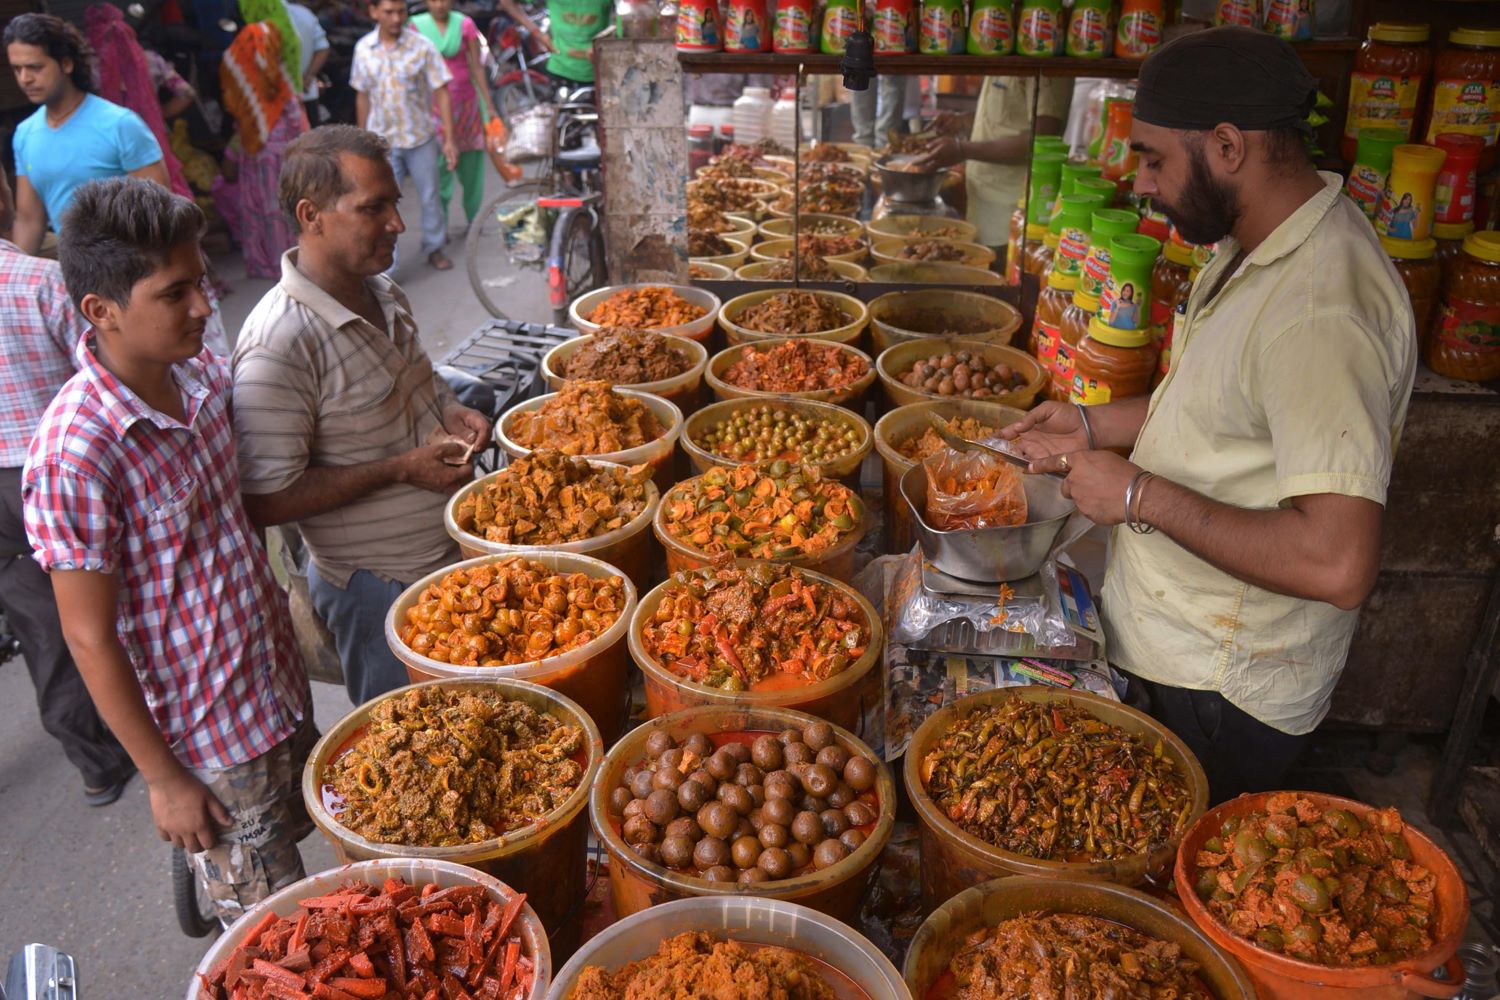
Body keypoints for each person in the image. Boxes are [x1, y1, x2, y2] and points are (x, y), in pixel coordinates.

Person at [1005, 27, 1417, 803]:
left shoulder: (1321, 314)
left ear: (1228, 145)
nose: (1144, 183)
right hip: (1168, 640)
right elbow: (1219, 403)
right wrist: (1092, 425)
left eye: (1155, 158)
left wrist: (1136, 497)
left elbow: (1338, 563)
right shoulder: (1256, 239)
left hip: (1223, 689)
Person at [23, 177, 312, 919]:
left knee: (303, 878)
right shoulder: (76, 453)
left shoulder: (199, 373)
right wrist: (164, 779)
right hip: (206, 739)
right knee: (270, 937)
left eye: (202, 284)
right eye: (175, 293)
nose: (202, 306)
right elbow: (87, 637)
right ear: (101, 311)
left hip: (270, 685)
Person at [232, 126, 492, 706]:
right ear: (312, 215)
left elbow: (423, 386)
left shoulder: (382, 292)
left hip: (450, 563)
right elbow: (265, 500)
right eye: (374, 208)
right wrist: (401, 469)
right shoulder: (280, 343)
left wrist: (452, 411)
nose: (397, 223)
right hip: (379, 592)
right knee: (406, 754)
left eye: (395, 203)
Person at [0, 168, 135, 808]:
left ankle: (95, 762)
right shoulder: (38, 281)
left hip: (14, 484)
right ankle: (144, 730)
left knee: (37, 620)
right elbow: (101, 368)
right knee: (101, 607)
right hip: (57, 471)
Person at [5, 13, 168, 255]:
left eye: (35, 67)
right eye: (17, 69)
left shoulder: (120, 124)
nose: (24, 79)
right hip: (78, 275)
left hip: (133, 268)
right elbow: (30, 220)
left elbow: (161, 212)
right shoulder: (25, 134)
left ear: (66, 63)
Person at [351, 0, 460, 271]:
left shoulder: (422, 46)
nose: (396, 18)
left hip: (420, 137)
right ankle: (387, 264)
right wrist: (359, 142)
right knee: (380, 204)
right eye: (389, 12)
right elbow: (362, 95)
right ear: (374, 12)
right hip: (381, 143)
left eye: (401, 12)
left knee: (429, 195)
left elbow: (442, 91)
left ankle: (435, 246)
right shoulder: (363, 49)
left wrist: (449, 139)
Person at [913, 76, 1071, 244]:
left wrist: (962, 150)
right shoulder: (1002, 58)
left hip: (1012, 209)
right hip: (982, 202)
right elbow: (1003, 118)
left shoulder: (1045, 71)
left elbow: (1042, 139)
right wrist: (961, 121)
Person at [221, 21, 310, 278]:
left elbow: (241, 122)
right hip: (283, 160)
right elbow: (298, 121)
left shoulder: (241, 80)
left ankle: (269, 263)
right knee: (284, 212)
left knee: (264, 212)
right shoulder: (278, 80)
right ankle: (294, 265)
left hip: (254, 158)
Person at [84, 4, 192, 200]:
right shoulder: (151, 60)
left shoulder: (91, 69)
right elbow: (186, 93)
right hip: (154, 140)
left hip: (109, 147)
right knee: (164, 198)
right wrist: (158, 114)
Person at [411, 0, 499, 232]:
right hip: (432, 110)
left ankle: (474, 218)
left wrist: (489, 105)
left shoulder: (465, 24)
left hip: (466, 106)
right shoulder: (415, 26)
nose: (439, 5)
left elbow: (477, 67)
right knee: (437, 169)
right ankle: (440, 227)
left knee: (472, 168)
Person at [498, 0, 611, 89]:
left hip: (602, 73)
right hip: (561, 71)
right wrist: (538, 34)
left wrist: (609, 39)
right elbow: (507, 2)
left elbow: (625, 14)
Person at [285, 1, 332, 121]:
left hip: (278, 101)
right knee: (310, 138)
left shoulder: (263, 15)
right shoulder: (304, 14)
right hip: (307, 93)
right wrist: (309, 75)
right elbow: (323, 48)